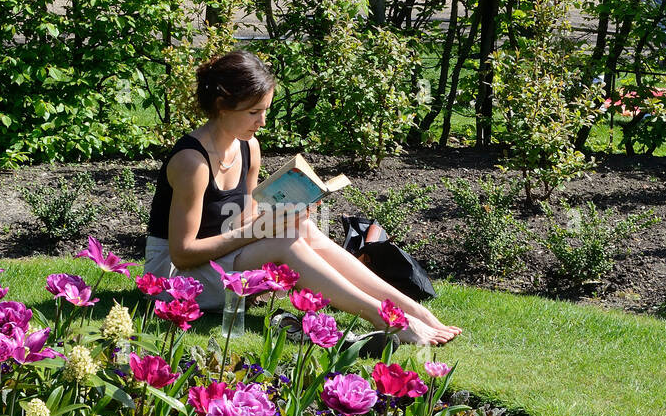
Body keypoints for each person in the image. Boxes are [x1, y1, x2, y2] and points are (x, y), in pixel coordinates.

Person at [144, 50, 461, 347]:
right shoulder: (192, 162)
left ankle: (413, 311)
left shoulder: (247, 146)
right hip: (173, 280)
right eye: (254, 112)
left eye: (265, 110)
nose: (262, 122)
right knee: (285, 242)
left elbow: (243, 221)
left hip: (216, 263)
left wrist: (285, 214)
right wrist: (262, 230)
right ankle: (391, 320)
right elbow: (182, 254)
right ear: (222, 106)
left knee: (302, 230)